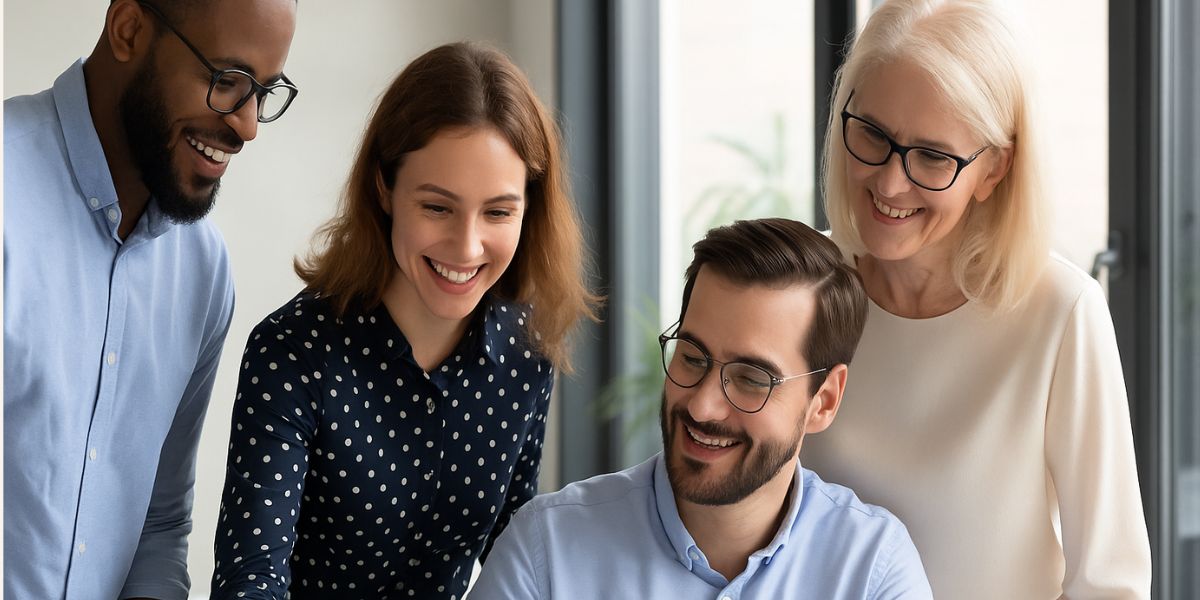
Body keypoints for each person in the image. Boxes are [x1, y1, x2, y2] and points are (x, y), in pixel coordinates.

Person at [209, 42, 599, 600]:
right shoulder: (292, 352)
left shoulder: (526, 350)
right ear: (384, 188)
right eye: (437, 207)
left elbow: (516, 562)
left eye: (498, 211)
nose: (467, 247)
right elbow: (250, 582)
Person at [800, 1, 1152, 598]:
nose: (889, 182)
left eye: (933, 156)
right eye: (872, 134)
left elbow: (1109, 581)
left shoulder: (1061, 312)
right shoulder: (796, 288)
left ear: (994, 170)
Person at [470, 218, 933, 599]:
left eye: (751, 379)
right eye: (692, 357)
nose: (704, 404)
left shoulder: (873, 570)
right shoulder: (545, 551)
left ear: (823, 402)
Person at [3, 1, 298, 598]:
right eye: (225, 81)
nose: (246, 127)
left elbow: (159, 528)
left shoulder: (204, 273)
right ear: (129, 29)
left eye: (262, 92)